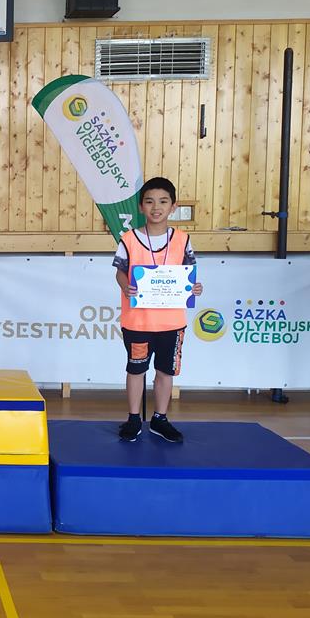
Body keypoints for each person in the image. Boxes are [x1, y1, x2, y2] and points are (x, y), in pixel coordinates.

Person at [114, 177, 203, 443]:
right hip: (138, 322)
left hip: (172, 323)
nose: (156, 207)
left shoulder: (183, 239)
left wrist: (194, 287)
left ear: (173, 206)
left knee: (165, 371)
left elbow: (189, 274)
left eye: (163, 201)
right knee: (136, 369)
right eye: (150, 201)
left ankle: (160, 419)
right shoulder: (129, 239)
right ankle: (133, 418)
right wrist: (126, 285)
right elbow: (120, 271)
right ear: (141, 206)